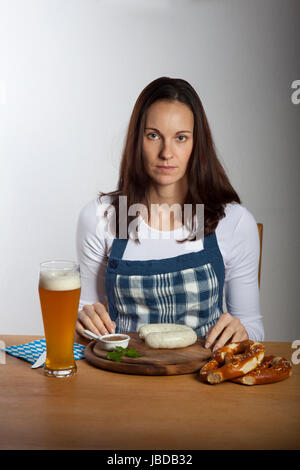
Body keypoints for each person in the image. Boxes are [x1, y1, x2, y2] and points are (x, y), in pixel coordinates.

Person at [75, 76, 264, 351]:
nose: (166, 153)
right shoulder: (100, 218)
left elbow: (254, 326)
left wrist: (243, 331)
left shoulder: (233, 223)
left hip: (205, 383)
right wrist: (82, 320)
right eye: (153, 135)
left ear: (196, 144)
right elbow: (83, 318)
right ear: (136, 141)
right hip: (123, 377)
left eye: (180, 138)